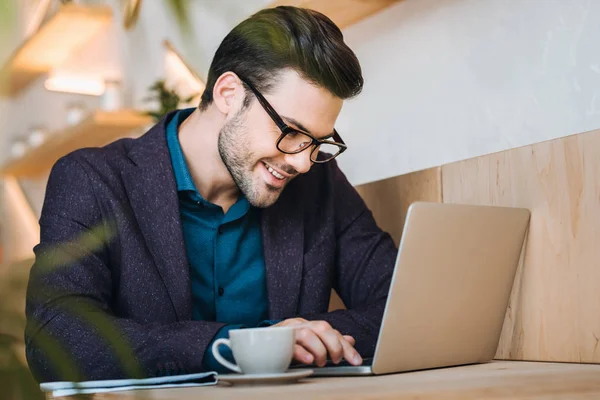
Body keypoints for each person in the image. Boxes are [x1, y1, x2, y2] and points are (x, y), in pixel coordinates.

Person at [25, 6, 397, 382]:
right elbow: (56, 337)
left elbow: (403, 306)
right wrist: (231, 346)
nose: (302, 163)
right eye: (291, 132)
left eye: (317, 142)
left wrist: (295, 339)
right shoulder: (91, 179)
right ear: (229, 93)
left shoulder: (319, 182)